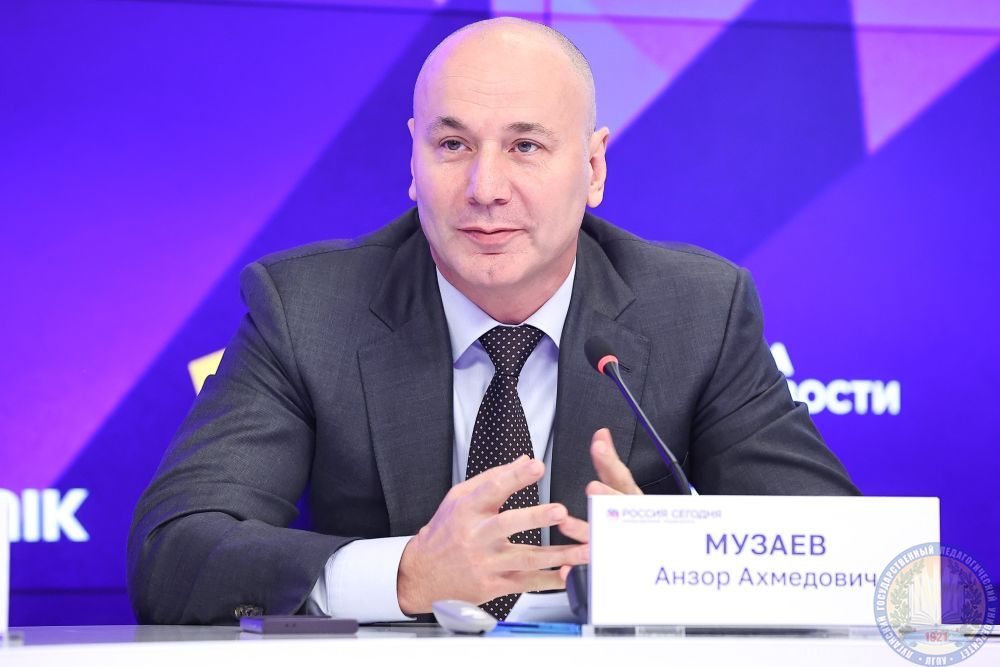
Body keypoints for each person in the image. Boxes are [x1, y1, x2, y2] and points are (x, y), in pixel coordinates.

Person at [127, 17, 858, 625]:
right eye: (453, 145)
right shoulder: (309, 308)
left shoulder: (698, 309)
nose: (485, 188)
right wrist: (406, 573)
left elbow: (844, 552)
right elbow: (174, 552)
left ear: (594, 169)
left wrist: (675, 562)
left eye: (525, 146)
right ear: (414, 161)